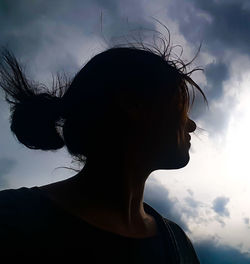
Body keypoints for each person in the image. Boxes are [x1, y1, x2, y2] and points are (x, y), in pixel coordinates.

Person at [0, 38, 207, 262]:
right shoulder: (10, 218)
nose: (192, 125)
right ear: (133, 104)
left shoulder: (178, 242)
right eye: (181, 108)